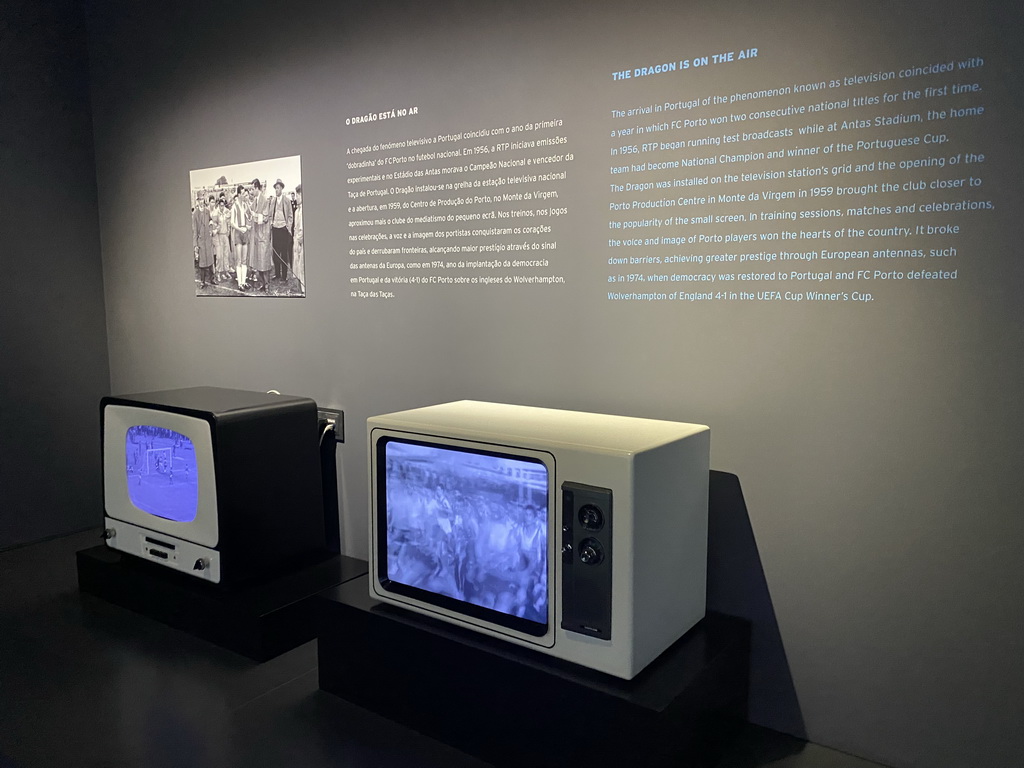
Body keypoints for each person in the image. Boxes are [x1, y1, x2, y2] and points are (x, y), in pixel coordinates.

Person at [248, 178, 273, 293]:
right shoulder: (254, 202)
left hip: (263, 236)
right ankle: (262, 283)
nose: (251, 192)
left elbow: (266, 218)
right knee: (258, 262)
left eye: (253, 189)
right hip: (256, 237)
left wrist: (256, 215)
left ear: (257, 188)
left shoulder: (265, 201)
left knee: (264, 262)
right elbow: (251, 215)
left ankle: (267, 285)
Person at [270, 179, 294, 281]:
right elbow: (270, 214)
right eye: (275, 188)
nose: (276, 190)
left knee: (284, 253)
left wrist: (288, 227)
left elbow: (290, 216)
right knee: (276, 253)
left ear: (282, 189)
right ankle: (277, 274)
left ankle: (284, 276)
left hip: (283, 230)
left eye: (278, 188)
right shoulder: (273, 201)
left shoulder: (287, 201)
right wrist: (271, 224)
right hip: (275, 229)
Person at [230, 185, 250, 290]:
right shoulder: (234, 206)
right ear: (238, 195)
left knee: (244, 260)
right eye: (242, 193)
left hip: (244, 232)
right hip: (238, 233)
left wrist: (246, 226)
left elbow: (246, 218)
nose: (244, 195)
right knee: (238, 260)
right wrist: (240, 229)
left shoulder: (244, 205)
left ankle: (243, 281)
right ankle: (239, 284)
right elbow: (232, 223)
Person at [192, 194, 215, 287]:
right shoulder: (195, 214)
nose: (201, 201)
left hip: (208, 240)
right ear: (197, 201)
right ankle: (202, 281)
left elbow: (211, 222)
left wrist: (211, 229)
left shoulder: (207, 211)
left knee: (210, 260)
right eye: (199, 200)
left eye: (202, 200)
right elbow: (194, 230)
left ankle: (212, 279)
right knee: (202, 262)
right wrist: (195, 245)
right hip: (201, 241)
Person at [214, 198, 233, 281]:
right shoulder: (216, 213)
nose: (222, 207)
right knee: (219, 256)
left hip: (225, 235)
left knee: (226, 254)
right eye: (220, 205)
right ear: (218, 205)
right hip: (219, 236)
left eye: (223, 205)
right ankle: (218, 272)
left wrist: (228, 231)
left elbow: (228, 222)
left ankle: (226, 271)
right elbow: (215, 225)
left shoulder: (226, 212)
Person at [293, 184, 304, 290]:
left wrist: (300, 241)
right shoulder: (297, 211)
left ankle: (304, 288)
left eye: (298, 195)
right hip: (297, 241)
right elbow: (296, 228)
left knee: (303, 267)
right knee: (298, 265)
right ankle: (301, 288)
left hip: (302, 242)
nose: (296, 198)